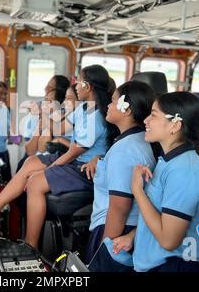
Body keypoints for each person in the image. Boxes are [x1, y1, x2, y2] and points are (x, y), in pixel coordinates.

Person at [0, 64, 116, 250]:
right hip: (74, 160)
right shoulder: (84, 109)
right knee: (30, 162)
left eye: (78, 82)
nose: (74, 86)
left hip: (84, 169)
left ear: (88, 86)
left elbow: (72, 153)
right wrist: (43, 114)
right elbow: (59, 128)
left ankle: (31, 245)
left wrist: (50, 170)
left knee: (35, 182)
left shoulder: (96, 118)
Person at [124, 92, 199, 272]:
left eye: (154, 115)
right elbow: (163, 213)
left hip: (174, 264)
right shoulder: (171, 159)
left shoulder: (184, 171)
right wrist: (133, 235)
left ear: (175, 125)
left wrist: (137, 191)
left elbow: (169, 240)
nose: (146, 121)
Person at [82, 81, 156, 270]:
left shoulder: (125, 149)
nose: (108, 105)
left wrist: (103, 251)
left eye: (113, 101)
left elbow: (119, 208)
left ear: (127, 110)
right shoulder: (138, 139)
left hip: (114, 229)